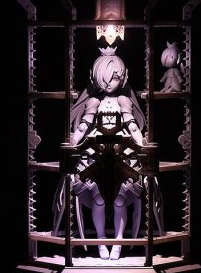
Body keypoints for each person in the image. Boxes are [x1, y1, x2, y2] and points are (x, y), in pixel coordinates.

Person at [56, 47, 146, 260]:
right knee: (98, 199)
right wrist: (72, 143)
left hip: (120, 157)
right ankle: (100, 240)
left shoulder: (123, 100)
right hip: (96, 158)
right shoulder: (93, 101)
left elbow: (132, 126)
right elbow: (83, 127)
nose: (108, 83)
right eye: (103, 78)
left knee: (120, 200)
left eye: (113, 77)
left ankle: (118, 241)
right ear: (94, 77)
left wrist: (142, 144)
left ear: (123, 77)